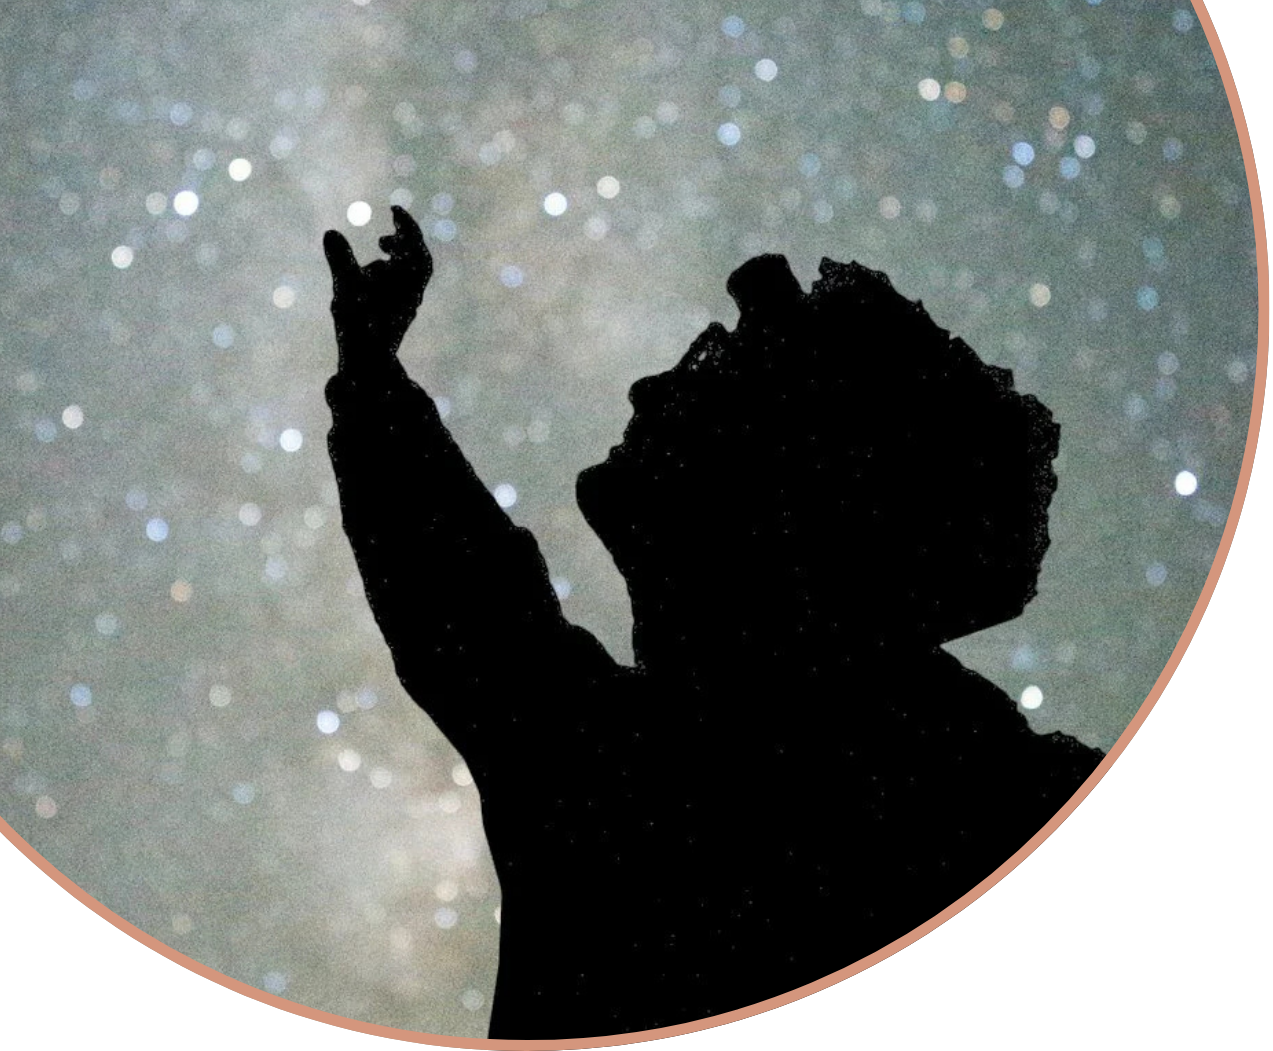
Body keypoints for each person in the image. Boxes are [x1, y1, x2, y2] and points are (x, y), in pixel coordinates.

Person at [322, 207, 1104, 1040]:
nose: (643, 390)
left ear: (786, 496)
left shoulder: (962, 802)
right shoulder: (967, 786)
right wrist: (371, 377)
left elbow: (468, 602)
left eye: (711, 382)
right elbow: (466, 594)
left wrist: (372, 380)